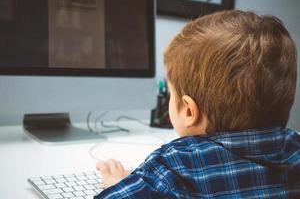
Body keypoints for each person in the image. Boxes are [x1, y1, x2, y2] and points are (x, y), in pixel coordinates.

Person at [94, 10, 300, 198]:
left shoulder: (175, 165)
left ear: (190, 111)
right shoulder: (294, 147)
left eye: (171, 94)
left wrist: (117, 184)